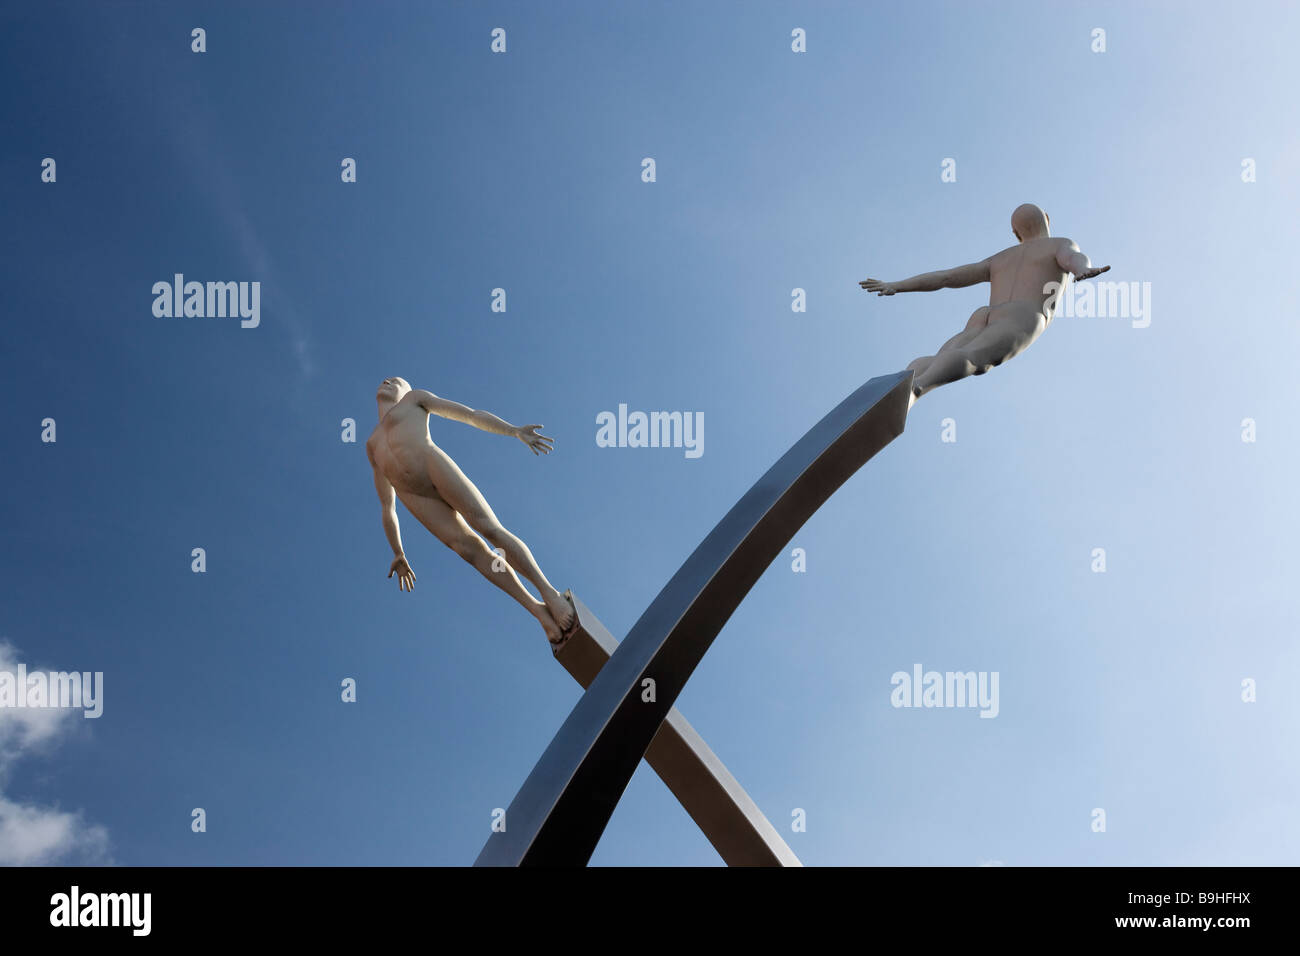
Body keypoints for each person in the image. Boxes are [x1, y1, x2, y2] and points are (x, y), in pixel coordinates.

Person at [366, 376, 577, 647]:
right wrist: (397, 551)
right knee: (469, 551)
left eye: (396, 380)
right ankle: (537, 610)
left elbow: (470, 415)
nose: (387, 381)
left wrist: (513, 430)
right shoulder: (372, 445)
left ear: (406, 389)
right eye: (385, 380)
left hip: (432, 464)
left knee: (490, 529)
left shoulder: (414, 399)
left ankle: (549, 593)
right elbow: (387, 505)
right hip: (414, 495)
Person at [861, 203, 1109, 399]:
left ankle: (907, 378)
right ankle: (918, 388)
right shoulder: (1059, 243)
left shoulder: (999, 259)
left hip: (985, 313)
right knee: (972, 358)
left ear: (1016, 234)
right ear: (1047, 218)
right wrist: (1082, 270)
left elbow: (947, 277)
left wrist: (896, 285)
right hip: (1024, 314)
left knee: (942, 356)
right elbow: (1073, 257)